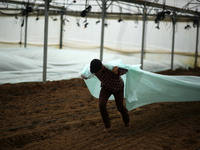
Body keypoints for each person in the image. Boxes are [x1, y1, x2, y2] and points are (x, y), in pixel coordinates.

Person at [82, 59, 130, 132]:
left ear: (102, 68)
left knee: (120, 107)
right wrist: (84, 76)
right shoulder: (95, 70)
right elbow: (87, 74)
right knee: (101, 105)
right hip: (106, 87)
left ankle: (127, 121)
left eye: (97, 72)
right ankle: (107, 126)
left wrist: (117, 71)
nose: (96, 74)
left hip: (118, 87)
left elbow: (126, 69)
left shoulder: (110, 67)